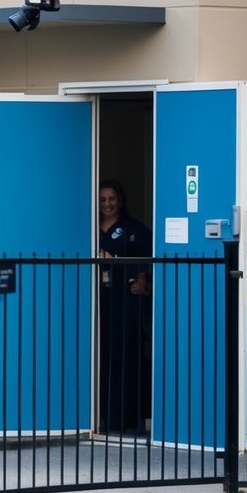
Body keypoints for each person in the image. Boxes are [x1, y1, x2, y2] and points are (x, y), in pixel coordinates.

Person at [98, 179, 152, 435]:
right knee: (100, 358)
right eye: (102, 199)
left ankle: (126, 419)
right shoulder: (87, 227)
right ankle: (100, 417)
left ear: (120, 200)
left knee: (126, 357)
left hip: (126, 305)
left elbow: (150, 260)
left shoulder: (133, 229)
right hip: (98, 304)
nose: (107, 204)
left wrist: (143, 280)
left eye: (111, 198)